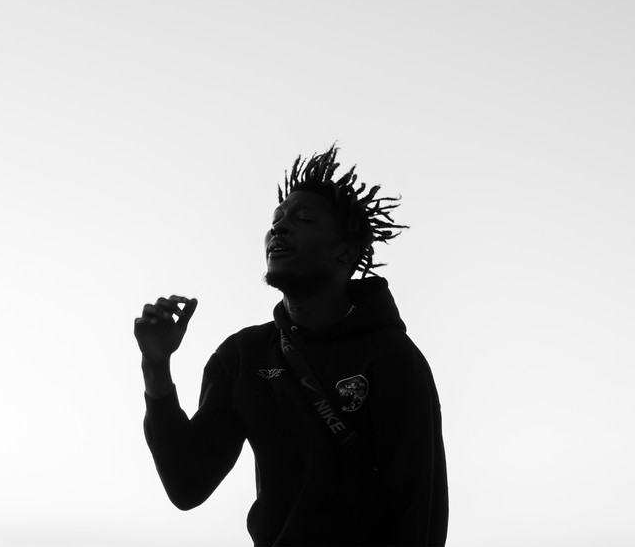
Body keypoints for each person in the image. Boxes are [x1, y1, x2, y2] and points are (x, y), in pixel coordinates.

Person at [134, 144, 449, 546]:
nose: (279, 229)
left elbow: (420, 509)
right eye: (276, 221)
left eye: (302, 219)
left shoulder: (391, 356)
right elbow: (187, 484)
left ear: (346, 252)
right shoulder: (241, 356)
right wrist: (156, 366)